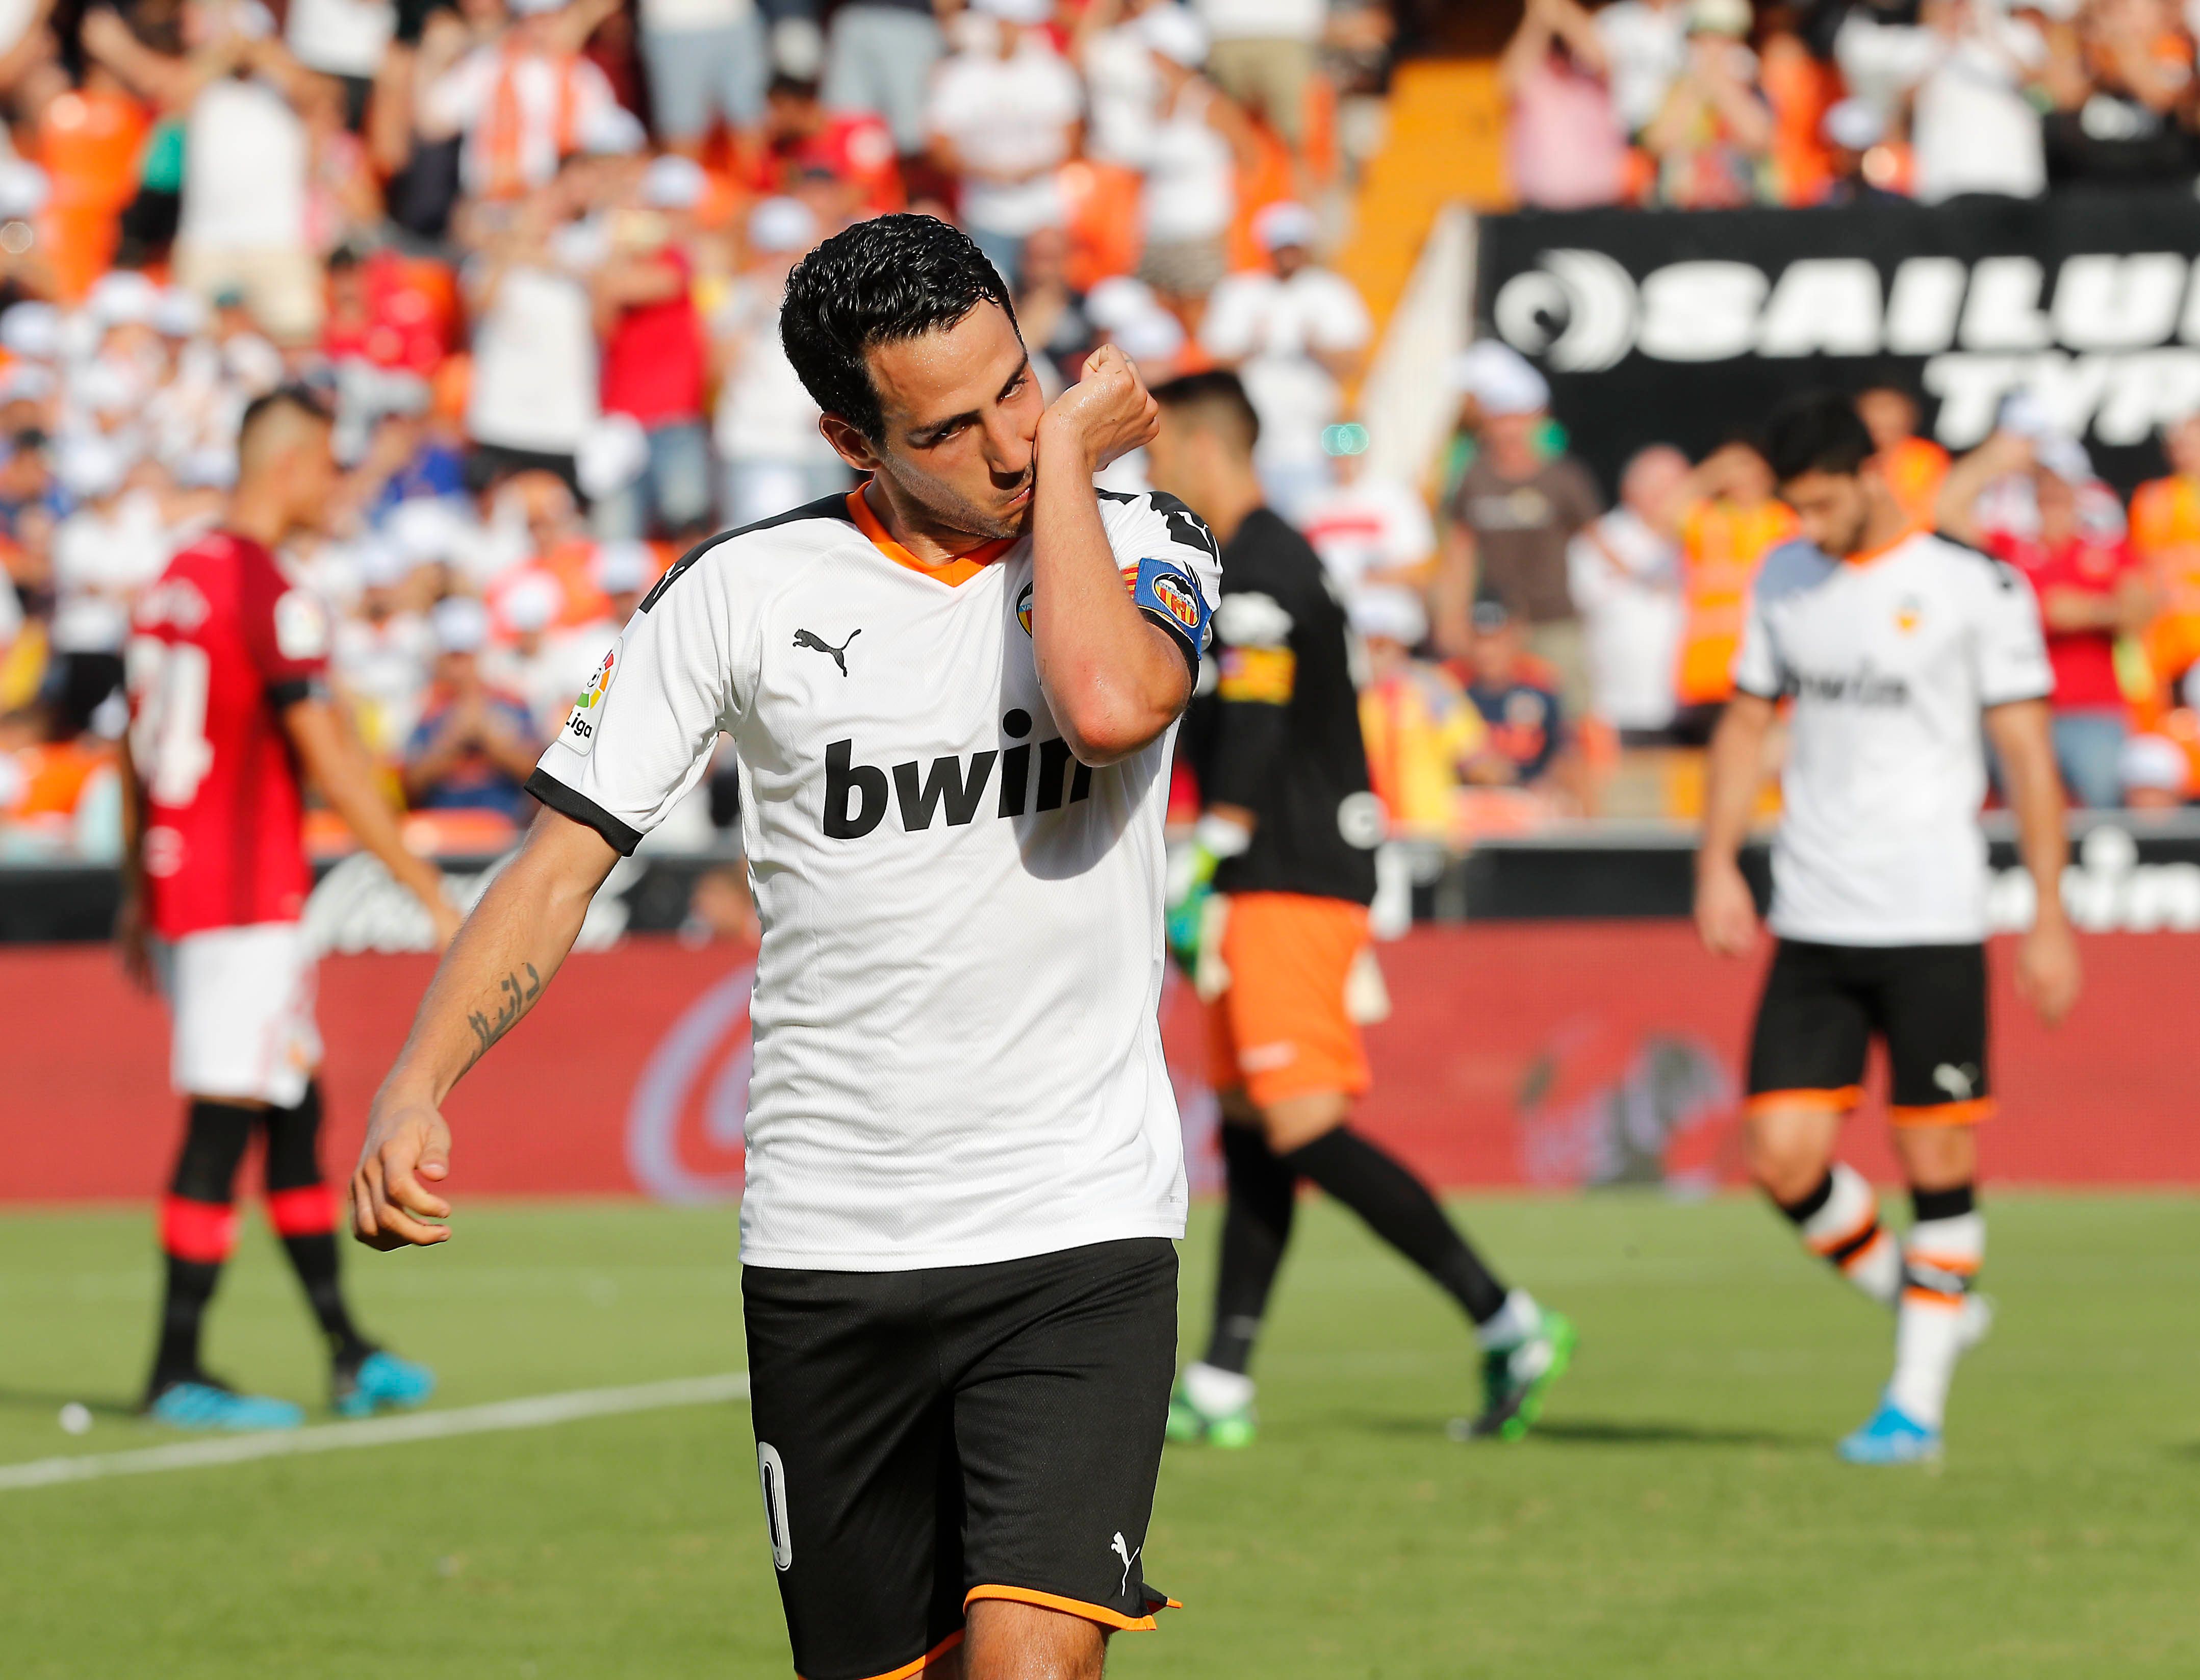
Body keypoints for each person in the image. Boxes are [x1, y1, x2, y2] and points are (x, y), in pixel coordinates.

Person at [350, 214, 1223, 1680]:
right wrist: (418, 1074)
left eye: (1021, 386)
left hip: (1078, 1223)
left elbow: (1110, 706)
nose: (1011, 443)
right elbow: (561, 859)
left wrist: (1075, 461)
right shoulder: (739, 595)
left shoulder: (1139, 536)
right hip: (831, 1243)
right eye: (954, 426)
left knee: (1034, 1662)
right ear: (848, 439)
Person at [1149, 369, 1574, 1451]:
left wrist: (1218, 844)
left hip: (1286, 873)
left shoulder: (1258, 566)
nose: (1149, 474)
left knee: (1304, 1125)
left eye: (1157, 451)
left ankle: (1506, 1316)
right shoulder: (1268, 558)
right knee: (1254, 1133)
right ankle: (1224, 1378)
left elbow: (1253, 714)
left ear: (1205, 447)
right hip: (1280, 873)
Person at [1695, 391, 2079, 1465]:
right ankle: (1932, 1301)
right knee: (1781, 1157)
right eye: (1794, 511)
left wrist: (2049, 913)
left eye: (1820, 506)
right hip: (1813, 912)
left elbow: (2031, 759)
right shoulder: (1783, 576)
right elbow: (1745, 721)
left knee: (1935, 1153)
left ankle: (1915, 1400)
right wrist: (1718, 859)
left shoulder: (1972, 587)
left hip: (1933, 915)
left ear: (1872, 476)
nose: (1806, 529)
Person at [119, 387, 457, 1431]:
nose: (333, 486)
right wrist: (426, 888)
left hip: (190, 884)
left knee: (294, 1114)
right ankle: (176, 1367)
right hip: (244, 894)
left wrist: (137, 889)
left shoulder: (175, 578)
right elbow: (329, 760)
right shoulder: (270, 588)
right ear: (289, 463)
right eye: (324, 465)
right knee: (225, 1122)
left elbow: (128, 748)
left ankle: (348, 1352)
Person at [1938, 427, 2152, 809]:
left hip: (2093, 713)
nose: (2053, 494)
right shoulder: (2011, 550)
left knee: (2102, 818)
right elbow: (1946, 512)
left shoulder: (2109, 549)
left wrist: (2087, 611)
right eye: (2043, 484)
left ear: (2080, 491)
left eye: (2062, 484)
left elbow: (2143, 611)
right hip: (2021, 709)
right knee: (2023, 814)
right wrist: (1996, 456)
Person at [1435, 342, 1602, 721]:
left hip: (1554, 618)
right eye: (1500, 417)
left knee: (1571, 720)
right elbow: (1460, 550)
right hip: (1494, 624)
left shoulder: (1562, 476)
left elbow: (1596, 542)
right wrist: (1451, 615)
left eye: (1517, 417)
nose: (1509, 428)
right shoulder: (1473, 475)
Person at [1198, 201, 1373, 520]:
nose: (1288, 254)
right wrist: (1253, 346)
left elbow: (1354, 365)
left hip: (1313, 447)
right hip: (1252, 446)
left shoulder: (1330, 292)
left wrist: (1315, 348)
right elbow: (1214, 365)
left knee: (1310, 530)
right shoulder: (1242, 291)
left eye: (1294, 246)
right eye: (1281, 246)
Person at [924, 0, 1083, 292]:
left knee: (1047, 296)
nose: (1007, 31)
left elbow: (1072, 138)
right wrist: (986, 171)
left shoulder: (1051, 72)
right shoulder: (962, 75)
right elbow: (939, 145)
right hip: (986, 212)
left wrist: (1031, 169)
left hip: (1044, 211)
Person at [1566, 443, 1686, 744]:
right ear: (1629, 489)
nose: (1670, 496)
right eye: (1659, 486)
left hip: (1690, 711)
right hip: (1615, 710)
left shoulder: (1708, 538)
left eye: (1678, 486)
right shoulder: (1599, 539)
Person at [401, 593, 543, 823]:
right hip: (444, 829)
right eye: (451, 658)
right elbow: (411, 785)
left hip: (505, 826)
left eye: (464, 657)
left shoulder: (512, 703)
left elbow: (540, 778)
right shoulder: (427, 707)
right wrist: (453, 738)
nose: (458, 668)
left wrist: (490, 737)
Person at [1456, 598, 1568, 790]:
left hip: (1530, 799)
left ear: (1513, 640)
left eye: (1496, 641)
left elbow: (1563, 752)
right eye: (1479, 641)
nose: (1487, 652)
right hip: (1469, 799)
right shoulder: (1453, 690)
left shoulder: (1540, 686)